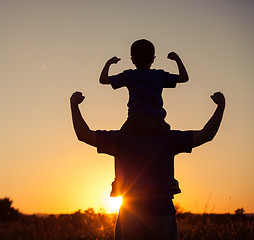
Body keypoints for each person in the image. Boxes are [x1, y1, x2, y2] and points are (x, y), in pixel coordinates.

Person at [70, 91, 225, 240]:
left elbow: (83, 134)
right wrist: (220, 106)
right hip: (162, 212)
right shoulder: (169, 139)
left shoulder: (120, 140)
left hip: (130, 214)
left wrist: (74, 105)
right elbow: (206, 134)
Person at [99, 39, 189, 196]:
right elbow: (184, 78)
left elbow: (103, 80)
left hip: (135, 121)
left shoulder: (129, 75)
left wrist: (109, 63)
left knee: (119, 145)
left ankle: (118, 182)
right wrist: (177, 59)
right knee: (167, 145)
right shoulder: (159, 75)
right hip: (157, 122)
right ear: (153, 58)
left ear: (132, 59)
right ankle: (171, 181)